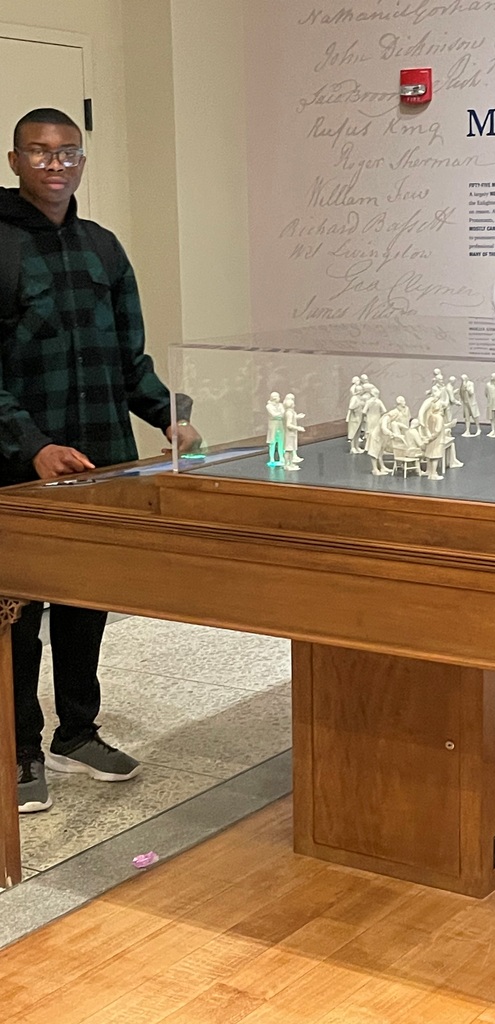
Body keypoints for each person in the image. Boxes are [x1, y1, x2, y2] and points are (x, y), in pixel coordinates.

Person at [1, 108, 200, 813]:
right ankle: (19, 751)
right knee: (18, 614)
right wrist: (32, 446)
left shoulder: (103, 248)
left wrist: (169, 413)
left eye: (68, 153)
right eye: (40, 152)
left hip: (101, 461)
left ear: (82, 162)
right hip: (22, 469)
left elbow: (128, 357)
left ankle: (76, 732)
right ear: (15, 160)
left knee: (87, 598)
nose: (55, 164)